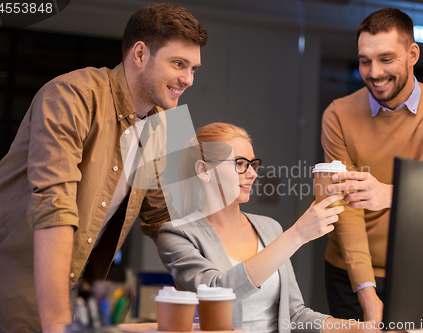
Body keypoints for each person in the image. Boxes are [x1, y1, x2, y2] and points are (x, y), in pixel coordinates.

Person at [0, 4, 207, 333]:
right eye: (179, 63)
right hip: (7, 286)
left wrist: (221, 286)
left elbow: (169, 220)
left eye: (193, 68)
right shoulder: (71, 95)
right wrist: (57, 326)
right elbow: (55, 207)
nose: (188, 79)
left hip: (78, 290)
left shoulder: (168, 126)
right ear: (139, 54)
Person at [321, 8, 423, 322]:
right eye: (365, 61)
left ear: (412, 53)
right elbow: (346, 210)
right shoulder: (337, 115)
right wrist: (367, 294)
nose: (374, 72)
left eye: (386, 59)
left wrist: (388, 194)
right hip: (348, 273)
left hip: (421, 270)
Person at [158, 122, 380, 333]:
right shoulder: (177, 235)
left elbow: (295, 315)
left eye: (253, 164)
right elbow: (216, 292)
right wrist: (297, 235)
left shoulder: (269, 228)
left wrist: (360, 328)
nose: (253, 173)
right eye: (240, 163)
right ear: (204, 170)